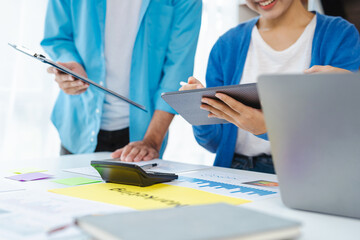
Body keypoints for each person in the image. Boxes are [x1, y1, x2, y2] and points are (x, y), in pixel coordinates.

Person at [181, 0, 360, 174]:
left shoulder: (339, 35)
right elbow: (214, 143)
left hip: (309, 172)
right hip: (236, 170)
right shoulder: (227, 44)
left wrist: (267, 128)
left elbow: (337, 136)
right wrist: (200, 110)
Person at [41, 0, 202, 162]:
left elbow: (177, 69)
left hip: (144, 135)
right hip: (78, 126)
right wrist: (70, 65)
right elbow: (58, 38)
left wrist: (152, 140)